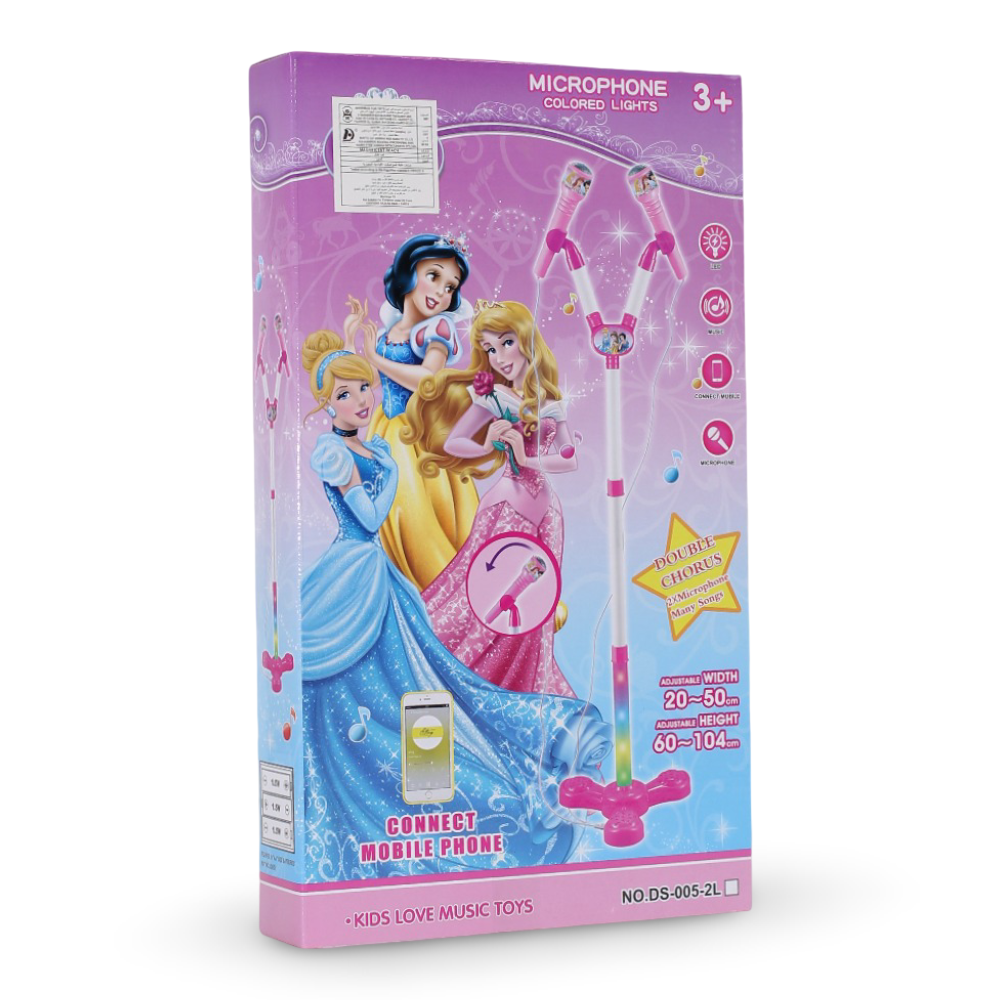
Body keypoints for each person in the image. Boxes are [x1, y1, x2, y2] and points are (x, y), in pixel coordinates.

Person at [299, 327, 610, 880]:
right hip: (355, 574)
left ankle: (439, 778)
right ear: (327, 404)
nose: (361, 400)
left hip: (415, 559)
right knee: (382, 686)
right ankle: (395, 794)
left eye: (364, 387)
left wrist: (516, 450)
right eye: (345, 394)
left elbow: (563, 456)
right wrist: (398, 474)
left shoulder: (371, 448)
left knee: (426, 675)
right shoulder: (337, 453)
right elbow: (368, 519)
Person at [405, 301, 580, 696]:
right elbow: (455, 441)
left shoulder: (551, 401)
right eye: (490, 349)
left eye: (506, 343)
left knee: (536, 601)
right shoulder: (493, 398)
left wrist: (526, 456)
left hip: (547, 514)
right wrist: (489, 443)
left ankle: (525, 685)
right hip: (507, 509)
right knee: (488, 595)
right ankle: (469, 680)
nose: (499, 357)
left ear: (527, 340)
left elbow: (570, 459)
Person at [347, 233, 479, 591]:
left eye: (450, 286)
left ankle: (443, 592)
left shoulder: (438, 329)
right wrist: (351, 340)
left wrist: (375, 359)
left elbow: (427, 378)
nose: (441, 292)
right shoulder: (390, 331)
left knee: (417, 514)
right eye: (433, 276)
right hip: (386, 431)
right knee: (389, 514)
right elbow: (372, 379)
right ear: (408, 273)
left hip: (419, 436)